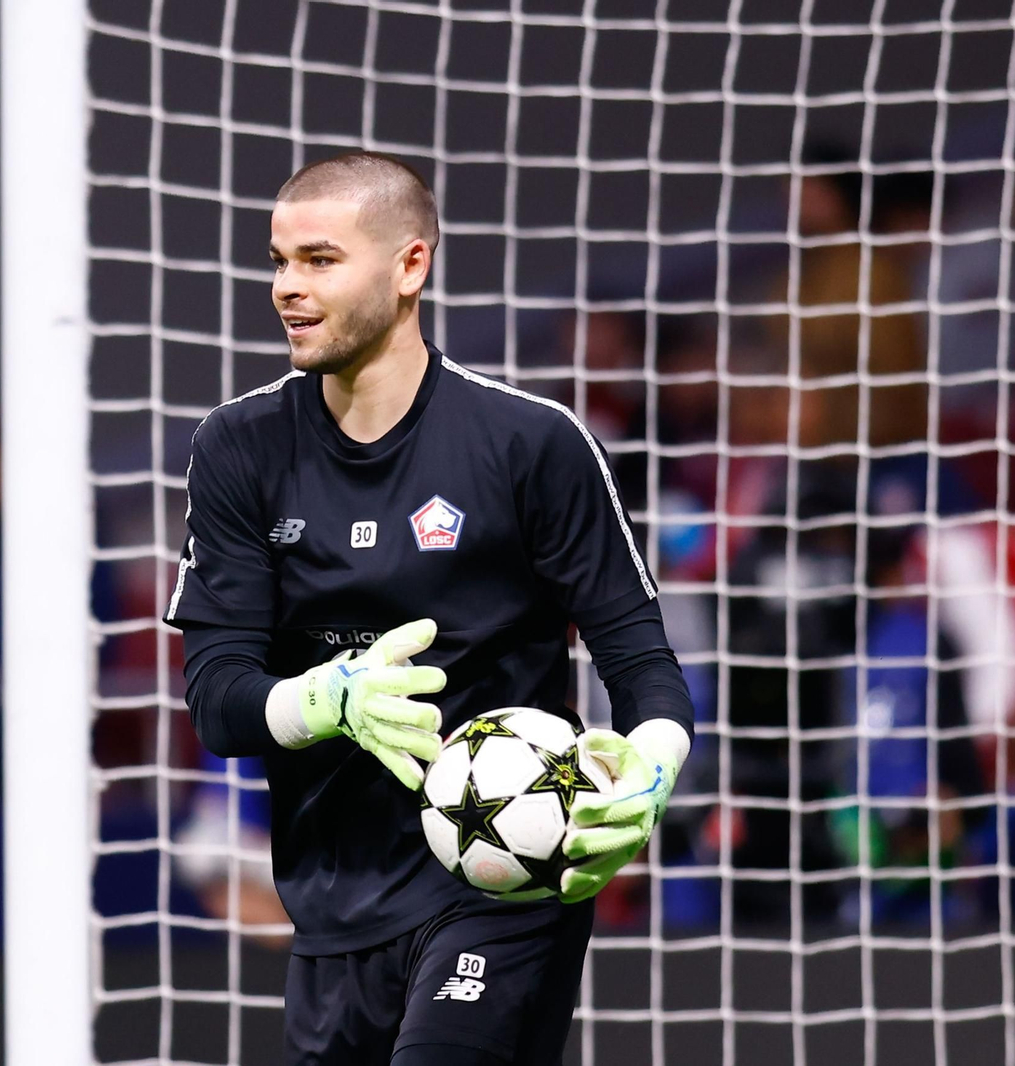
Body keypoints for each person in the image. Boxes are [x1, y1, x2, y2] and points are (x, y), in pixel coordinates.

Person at [165, 152, 695, 1066]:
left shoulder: (532, 444)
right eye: (278, 261)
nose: (288, 288)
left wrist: (648, 772)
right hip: (333, 903)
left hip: (507, 883)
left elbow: (640, 660)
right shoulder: (237, 449)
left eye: (320, 260)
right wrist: (326, 700)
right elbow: (217, 698)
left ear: (411, 266)